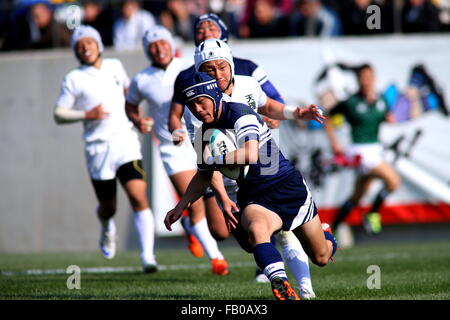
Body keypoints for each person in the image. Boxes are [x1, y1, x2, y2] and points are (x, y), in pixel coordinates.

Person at [169, 14, 317, 298]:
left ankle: (301, 288)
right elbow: (205, 164)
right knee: (233, 236)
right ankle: (281, 268)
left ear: (230, 63)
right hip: (229, 177)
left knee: (275, 233)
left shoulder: (247, 82)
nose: (216, 74)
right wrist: (222, 198)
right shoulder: (196, 109)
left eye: (221, 67)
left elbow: (269, 104)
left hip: (266, 166)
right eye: (208, 69)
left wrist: (292, 113)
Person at [164, 72, 337, 300]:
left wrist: (213, 161)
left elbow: (250, 153)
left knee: (321, 257)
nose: (197, 109)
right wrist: (181, 206)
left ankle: (327, 235)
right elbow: (204, 175)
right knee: (257, 231)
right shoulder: (204, 132)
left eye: (200, 101)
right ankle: (280, 282)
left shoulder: (240, 113)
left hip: (286, 186)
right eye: (191, 105)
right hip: (254, 196)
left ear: (215, 95)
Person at [124, 25, 229, 276]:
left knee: (217, 221)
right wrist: (139, 121)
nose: (159, 48)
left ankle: (193, 228)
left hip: (202, 140)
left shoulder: (189, 68)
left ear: (171, 44)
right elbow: (130, 106)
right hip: (173, 146)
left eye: (162, 42)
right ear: (147, 50)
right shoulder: (142, 79)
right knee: (194, 200)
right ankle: (217, 258)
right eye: (152, 45)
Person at [53, 25, 157, 273]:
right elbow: (58, 113)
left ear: (98, 44)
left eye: (88, 42)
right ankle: (107, 225)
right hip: (97, 149)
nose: (85, 47)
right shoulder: (73, 78)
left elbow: (130, 97)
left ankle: (148, 256)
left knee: (138, 196)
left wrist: (138, 120)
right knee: (109, 206)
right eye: (79, 45)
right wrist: (87, 114)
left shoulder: (115, 66)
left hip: (125, 142)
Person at [323, 64, 401, 235]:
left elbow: (386, 117)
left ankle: (331, 231)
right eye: (362, 77)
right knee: (393, 181)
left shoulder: (380, 101)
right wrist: (334, 143)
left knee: (357, 197)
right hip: (360, 151)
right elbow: (327, 117)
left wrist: (392, 119)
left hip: (376, 149)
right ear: (358, 80)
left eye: (369, 77)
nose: (366, 81)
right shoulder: (351, 102)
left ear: (374, 79)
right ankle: (372, 214)